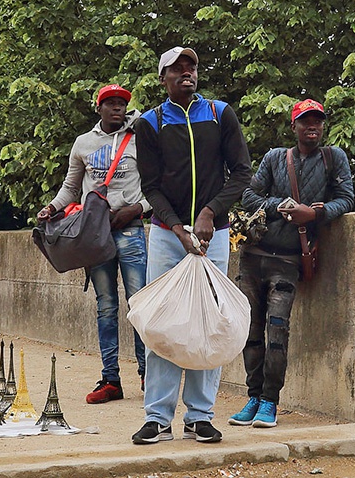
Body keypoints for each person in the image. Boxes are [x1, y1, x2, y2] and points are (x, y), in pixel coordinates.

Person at [131, 47, 252, 444]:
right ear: (163, 77)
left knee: (208, 323)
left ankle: (200, 415)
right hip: (167, 236)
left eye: (192, 67)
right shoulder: (150, 122)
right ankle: (158, 417)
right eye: (178, 68)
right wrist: (177, 227)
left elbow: (241, 172)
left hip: (213, 235)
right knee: (162, 323)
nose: (187, 73)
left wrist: (210, 213)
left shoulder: (219, 113)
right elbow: (151, 186)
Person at [230, 99, 354, 428]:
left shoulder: (334, 158)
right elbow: (249, 196)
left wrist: (315, 213)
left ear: (323, 126)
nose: (311, 126)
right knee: (251, 332)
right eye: (304, 121)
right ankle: (253, 397)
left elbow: (347, 199)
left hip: (288, 260)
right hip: (254, 256)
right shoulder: (274, 158)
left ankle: (270, 401)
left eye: (317, 120)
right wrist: (282, 206)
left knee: (276, 331)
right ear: (294, 126)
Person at [37, 84, 149, 403]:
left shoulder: (140, 140)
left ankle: (147, 374)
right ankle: (110, 379)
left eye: (122, 104)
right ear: (98, 108)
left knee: (139, 305)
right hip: (96, 232)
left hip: (130, 229)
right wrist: (51, 209)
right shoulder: (83, 144)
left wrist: (137, 208)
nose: (117, 108)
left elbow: (155, 186)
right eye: (110, 103)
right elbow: (71, 188)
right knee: (107, 306)